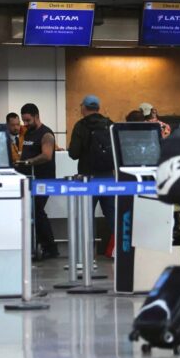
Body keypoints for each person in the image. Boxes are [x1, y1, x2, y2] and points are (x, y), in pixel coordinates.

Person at [68, 95, 115, 255]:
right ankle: (123, 252)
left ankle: (89, 255)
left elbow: (73, 154)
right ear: (98, 108)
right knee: (113, 215)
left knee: (86, 216)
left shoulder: (80, 126)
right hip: (108, 177)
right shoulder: (110, 124)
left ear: (84, 107)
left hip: (87, 178)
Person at [15, 103, 59, 259]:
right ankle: (40, 245)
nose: (25, 123)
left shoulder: (46, 134)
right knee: (32, 212)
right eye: (24, 120)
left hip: (43, 180)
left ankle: (50, 248)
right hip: (30, 180)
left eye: (28, 120)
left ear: (36, 116)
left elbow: (47, 155)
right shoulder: (28, 133)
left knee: (37, 211)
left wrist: (28, 162)